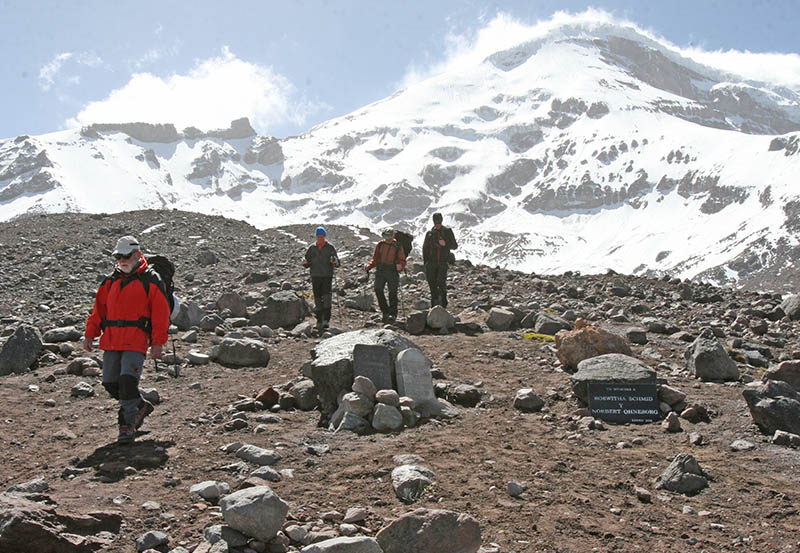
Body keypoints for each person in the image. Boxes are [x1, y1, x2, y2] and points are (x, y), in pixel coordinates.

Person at [83, 236, 170, 444]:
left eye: (126, 255)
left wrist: (157, 343)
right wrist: (90, 334)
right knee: (110, 383)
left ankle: (127, 425)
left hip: (136, 339)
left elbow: (161, 314)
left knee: (128, 382)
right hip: (112, 339)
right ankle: (140, 407)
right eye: (118, 256)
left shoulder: (151, 280)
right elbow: (98, 311)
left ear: (137, 254)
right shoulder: (110, 281)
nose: (122, 259)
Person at [365, 228, 407, 323]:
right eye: (386, 237)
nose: (387, 239)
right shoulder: (380, 245)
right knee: (378, 289)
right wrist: (369, 266)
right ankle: (385, 312)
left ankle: (392, 314)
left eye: (389, 237)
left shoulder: (397, 246)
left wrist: (401, 266)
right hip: (381, 270)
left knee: (392, 292)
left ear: (392, 236)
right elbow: (375, 258)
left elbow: (402, 260)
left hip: (392, 271)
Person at [303, 226, 339, 330]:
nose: (320, 238)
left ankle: (326, 320)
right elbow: (307, 261)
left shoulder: (330, 247)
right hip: (315, 276)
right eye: (318, 236)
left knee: (327, 298)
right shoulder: (312, 248)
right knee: (317, 299)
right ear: (316, 236)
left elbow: (337, 263)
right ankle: (319, 320)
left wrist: (334, 261)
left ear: (324, 236)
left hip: (327, 276)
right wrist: (305, 264)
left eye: (322, 236)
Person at [422, 212, 458, 308]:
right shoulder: (429, 233)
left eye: (438, 221)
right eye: (435, 222)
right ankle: (434, 303)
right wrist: (425, 263)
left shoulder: (447, 232)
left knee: (441, 282)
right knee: (432, 283)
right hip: (431, 263)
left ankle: (443, 302)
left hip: (442, 262)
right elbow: (425, 249)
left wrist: (445, 244)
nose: (437, 224)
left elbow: (454, 246)